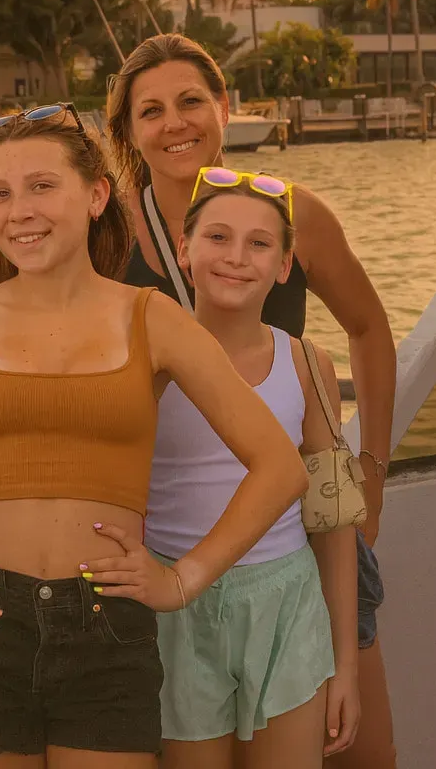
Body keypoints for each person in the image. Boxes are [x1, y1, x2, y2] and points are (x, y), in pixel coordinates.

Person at [0, 104, 308, 768]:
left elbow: (279, 467)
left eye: (41, 186)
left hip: (107, 628)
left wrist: (183, 580)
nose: (19, 212)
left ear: (96, 196)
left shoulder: (153, 319)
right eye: (0, 194)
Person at [108, 35, 397, 768]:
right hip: (177, 550)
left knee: (364, 751)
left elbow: (369, 329)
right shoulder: (104, 234)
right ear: (129, 131)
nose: (175, 122)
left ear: (224, 108)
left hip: (297, 536)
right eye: (151, 110)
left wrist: (372, 469)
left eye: (191, 101)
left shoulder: (294, 212)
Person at [148, 166, 360, 766]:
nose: (236, 257)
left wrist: (345, 665)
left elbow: (333, 521)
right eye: (217, 237)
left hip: (286, 605)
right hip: (174, 605)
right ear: (184, 250)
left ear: (284, 265)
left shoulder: (307, 364)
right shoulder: (149, 360)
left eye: (259, 243)